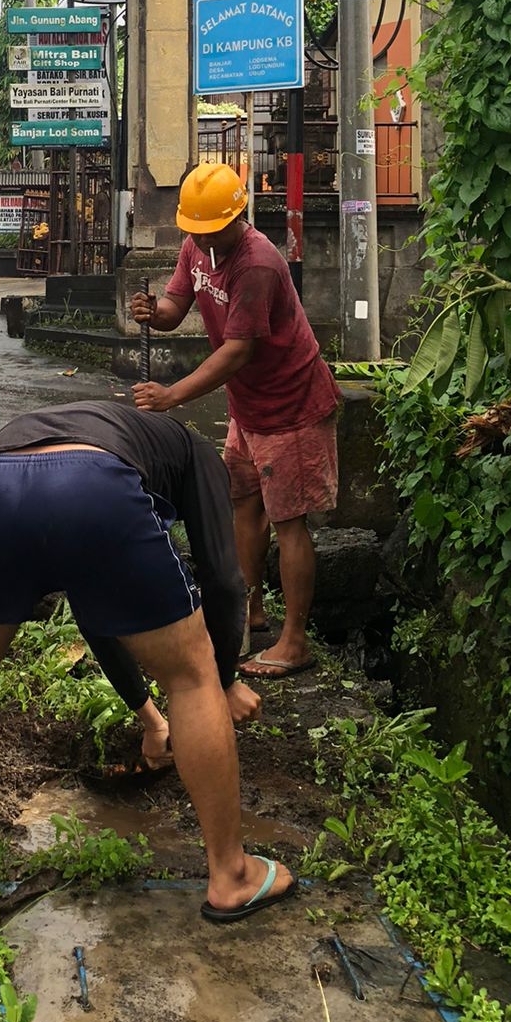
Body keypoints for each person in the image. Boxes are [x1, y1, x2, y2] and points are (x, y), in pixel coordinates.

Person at [0, 400, 296, 924]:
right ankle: (232, 875)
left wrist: (151, 720)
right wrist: (226, 679)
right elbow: (223, 578)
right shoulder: (197, 453)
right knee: (192, 680)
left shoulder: (107, 429)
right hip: (95, 484)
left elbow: (97, 611)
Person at [129, 163, 341, 680]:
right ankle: (251, 610)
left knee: (289, 521)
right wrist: (153, 311)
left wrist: (172, 395)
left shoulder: (257, 263)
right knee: (244, 504)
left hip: (291, 406)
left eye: (212, 230)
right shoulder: (196, 245)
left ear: (237, 217)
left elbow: (237, 351)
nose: (202, 240)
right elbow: (175, 307)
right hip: (247, 408)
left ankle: (295, 641)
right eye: (195, 230)